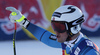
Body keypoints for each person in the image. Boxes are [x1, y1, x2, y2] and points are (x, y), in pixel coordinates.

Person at [6, 5, 100, 55]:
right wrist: (22, 21)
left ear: (74, 28)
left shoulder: (88, 52)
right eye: (54, 26)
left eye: (60, 27)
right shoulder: (70, 41)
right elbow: (48, 39)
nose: (56, 31)